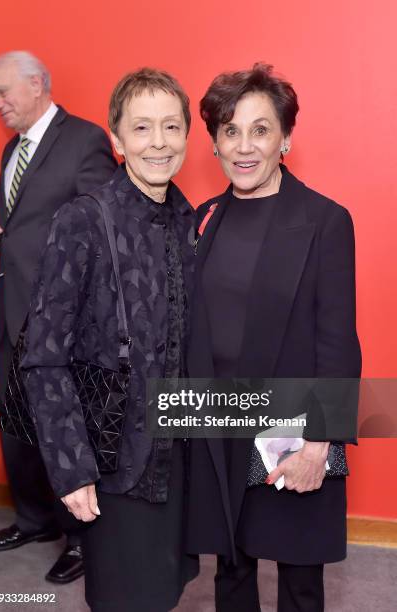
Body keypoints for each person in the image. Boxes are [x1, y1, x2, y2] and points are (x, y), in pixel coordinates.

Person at [20, 68, 198, 612]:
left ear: (188, 135)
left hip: (179, 455)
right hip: (112, 463)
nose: (159, 142)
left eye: (171, 126)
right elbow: (41, 356)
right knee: (125, 597)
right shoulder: (83, 220)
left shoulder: (190, 219)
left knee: (165, 592)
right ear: (117, 141)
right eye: (142, 128)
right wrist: (71, 467)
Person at [186, 63, 362, 611]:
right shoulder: (203, 219)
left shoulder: (325, 221)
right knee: (230, 570)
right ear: (214, 141)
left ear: (285, 138)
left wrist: (319, 442)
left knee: (299, 577)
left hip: (290, 423)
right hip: (219, 420)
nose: (244, 146)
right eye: (230, 130)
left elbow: (337, 341)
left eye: (260, 130)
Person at [0, 51, 117, 583]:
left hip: (58, 317)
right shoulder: (9, 150)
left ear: (36, 83)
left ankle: (84, 539)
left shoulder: (84, 140)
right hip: (9, 307)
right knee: (18, 425)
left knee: (65, 426)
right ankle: (35, 518)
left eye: (2, 93)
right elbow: (26, 224)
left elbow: (103, 222)